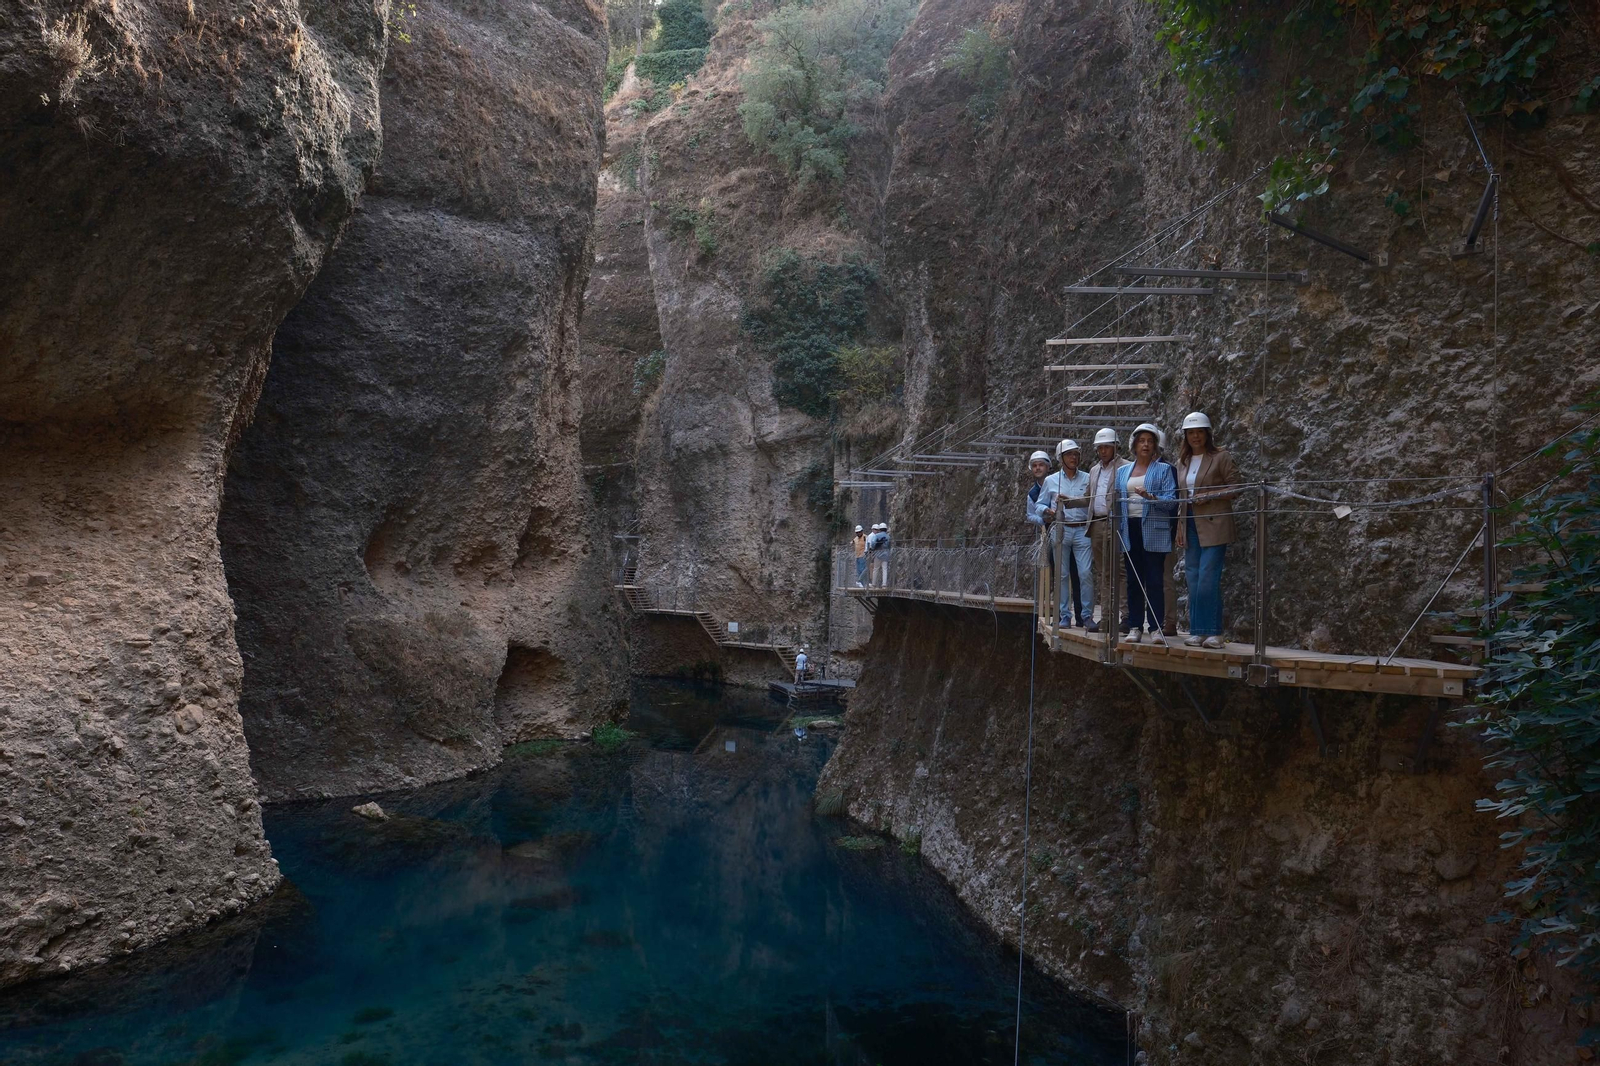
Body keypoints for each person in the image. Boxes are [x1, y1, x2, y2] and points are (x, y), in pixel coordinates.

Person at [1174, 411, 1240, 649]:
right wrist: (1180, 526)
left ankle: (1214, 632)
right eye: (1191, 433)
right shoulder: (1182, 462)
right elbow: (1182, 497)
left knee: (1207, 578)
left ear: (1207, 434)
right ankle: (1198, 631)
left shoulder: (1221, 457)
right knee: (1192, 579)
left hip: (1214, 523)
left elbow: (1236, 487)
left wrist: (1210, 495)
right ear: (1185, 436)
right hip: (1190, 522)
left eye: (1199, 432)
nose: (1195, 437)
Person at [1115, 423, 1177, 644]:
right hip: (1129, 529)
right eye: (1141, 441)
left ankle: (1156, 627)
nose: (1146, 445)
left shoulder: (1164, 470)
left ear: (1156, 446)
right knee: (1133, 580)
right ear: (1134, 445)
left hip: (1154, 530)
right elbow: (1116, 502)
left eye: (1150, 441)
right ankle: (1135, 626)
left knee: (1154, 580)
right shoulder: (1122, 472)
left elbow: (1172, 502)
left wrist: (1151, 498)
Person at [1042, 439, 1095, 630]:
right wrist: (1046, 511)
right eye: (1069, 454)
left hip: (1082, 529)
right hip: (1060, 528)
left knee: (1085, 573)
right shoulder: (1050, 481)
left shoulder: (1088, 478)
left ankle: (1087, 616)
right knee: (1062, 574)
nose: (1074, 457)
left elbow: (1092, 502)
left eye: (1076, 454)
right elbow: (1040, 504)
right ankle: (1064, 615)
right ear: (1061, 458)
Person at [1087, 428, 1129, 629]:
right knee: (1103, 572)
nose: (1103, 451)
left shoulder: (1126, 467)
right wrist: (1068, 501)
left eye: (1107, 447)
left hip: (1117, 522)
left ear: (1116, 447)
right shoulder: (1094, 470)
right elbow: (1089, 497)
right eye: (1100, 447)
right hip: (1097, 523)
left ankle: (1126, 616)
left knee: (1120, 570)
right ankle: (1106, 618)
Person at [1155, 429, 1179, 637]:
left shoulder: (1169, 470)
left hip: (1164, 531)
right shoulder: (1135, 470)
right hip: (1141, 531)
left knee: (1165, 579)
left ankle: (1169, 621)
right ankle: (1154, 620)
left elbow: (1173, 503)